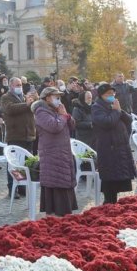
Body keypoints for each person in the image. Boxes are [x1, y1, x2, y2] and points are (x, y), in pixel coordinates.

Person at [32, 87, 77, 216]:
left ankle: (64, 214)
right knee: (56, 182)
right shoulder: (41, 112)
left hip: (63, 152)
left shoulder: (58, 110)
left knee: (64, 181)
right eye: (55, 97)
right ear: (47, 98)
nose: (58, 99)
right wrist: (63, 116)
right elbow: (54, 126)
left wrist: (66, 114)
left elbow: (72, 125)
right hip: (51, 154)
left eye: (59, 97)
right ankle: (56, 215)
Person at [92, 83, 135, 204]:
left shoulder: (113, 105)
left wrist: (119, 110)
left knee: (118, 176)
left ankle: (113, 203)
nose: (112, 96)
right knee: (109, 178)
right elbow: (107, 122)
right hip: (108, 147)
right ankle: (108, 203)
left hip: (119, 145)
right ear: (102, 95)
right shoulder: (97, 107)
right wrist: (116, 112)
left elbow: (129, 119)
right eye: (109, 94)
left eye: (113, 94)